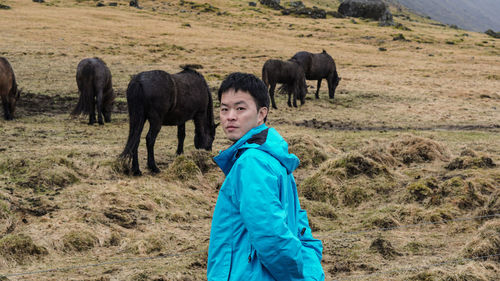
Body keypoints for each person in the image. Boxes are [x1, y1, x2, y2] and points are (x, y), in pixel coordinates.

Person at [207, 72, 325, 281]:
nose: (230, 116)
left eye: (240, 108)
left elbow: (271, 236)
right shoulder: (272, 156)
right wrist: (310, 267)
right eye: (224, 109)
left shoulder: (252, 162)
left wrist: (299, 277)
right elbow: (299, 225)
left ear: (261, 114)